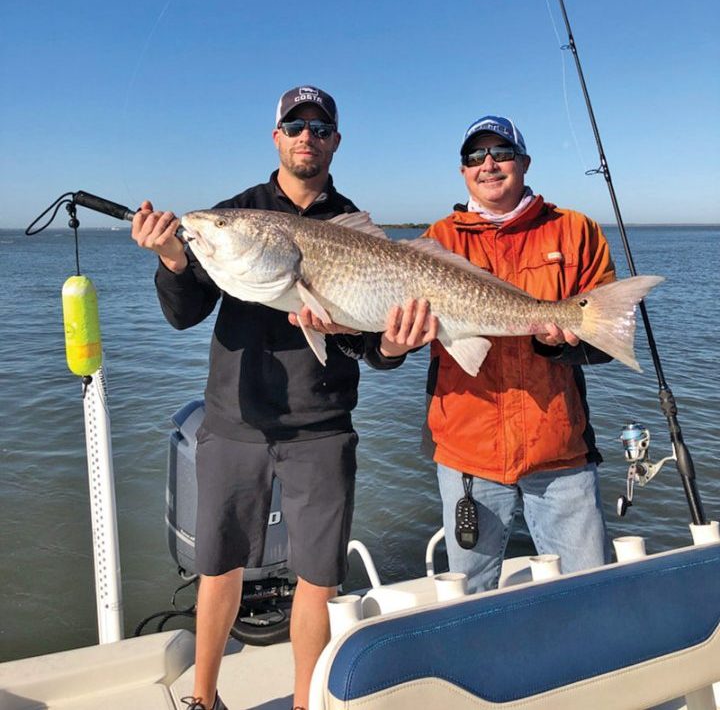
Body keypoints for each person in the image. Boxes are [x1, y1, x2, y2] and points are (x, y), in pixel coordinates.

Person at [131, 86, 432, 710]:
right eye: (294, 125)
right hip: (234, 421)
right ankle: (203, 698)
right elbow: (186, 313)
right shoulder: (237, 216)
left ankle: (306, 703)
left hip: (322, 426)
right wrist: (173, 259)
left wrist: (396, 347)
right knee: (218, 570)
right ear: (276, 136)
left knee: (317, 581)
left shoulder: (356, 228)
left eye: (320, 127)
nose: (307, 136)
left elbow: (374, 349)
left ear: (335, 142)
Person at [383, 115, 616, 594]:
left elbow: (605, 339)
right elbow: (386, 343)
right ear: (463, 172)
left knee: (590, 588)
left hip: (560, 450)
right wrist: (391, 344)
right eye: (474, 157)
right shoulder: (438, 240)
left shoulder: (574, 230)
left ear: (525, 162)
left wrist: (558, 341)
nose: (488, 164)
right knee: (467, 593)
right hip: (468, 453)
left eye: (501, 153)